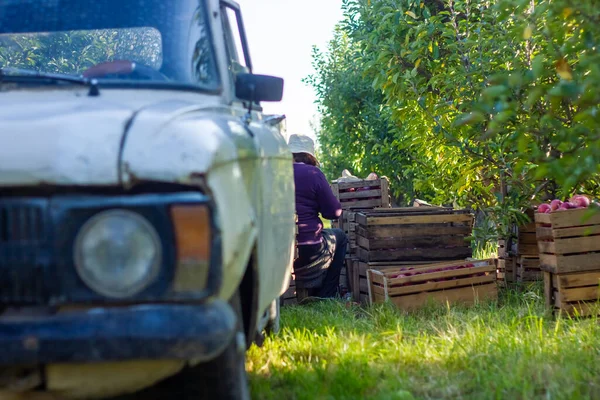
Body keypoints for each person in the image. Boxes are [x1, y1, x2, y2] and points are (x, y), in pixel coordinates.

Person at [288, 133, 348, 302]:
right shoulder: (314, 174)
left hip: (282, 251)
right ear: (310, 155)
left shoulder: (275, 174)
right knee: (340, 237)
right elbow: (333, 212)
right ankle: (327, 294)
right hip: (310, 250)